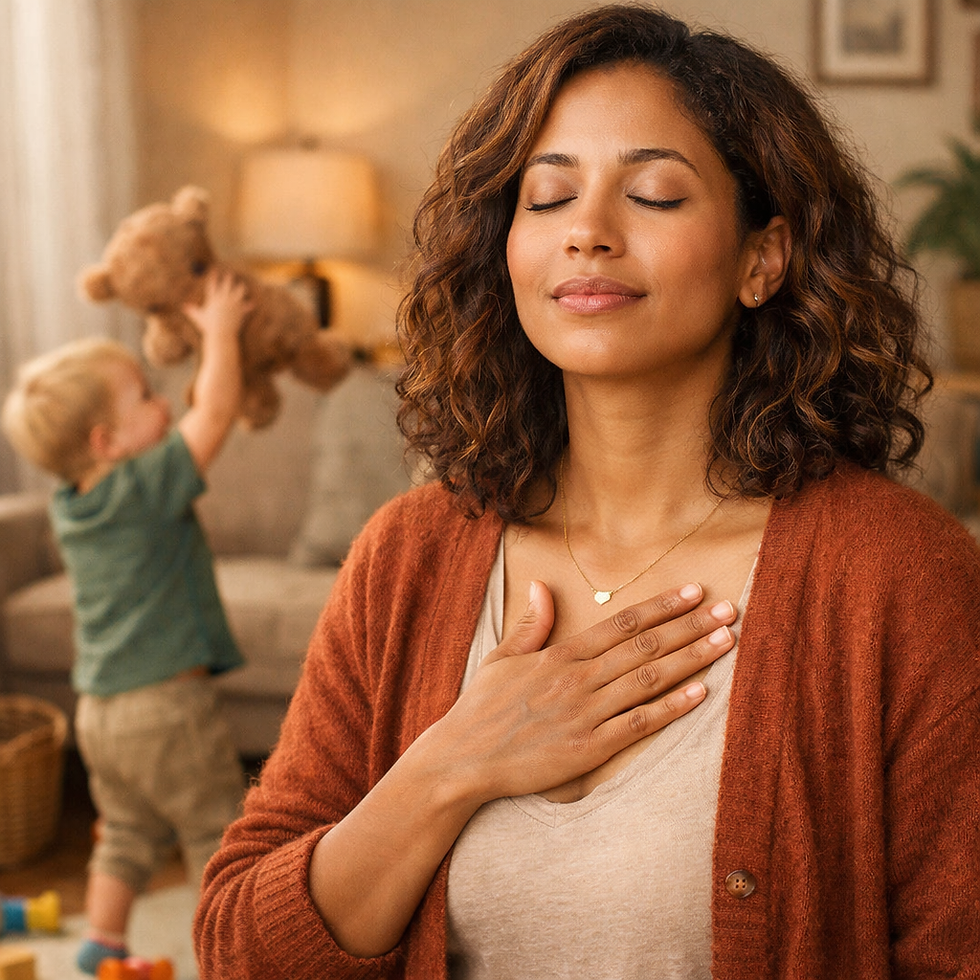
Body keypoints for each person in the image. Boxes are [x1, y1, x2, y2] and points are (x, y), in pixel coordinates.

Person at [194, 6, 980, 979]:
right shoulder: (408, 552)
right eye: (547, 196)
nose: (588, 234)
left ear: (760, 258)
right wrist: (453, 762)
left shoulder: (896, 570)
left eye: (652, 194)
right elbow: (239, 950)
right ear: (507, 248)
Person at [2, 271, 253, 975]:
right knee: (217, 829)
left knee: (128, 835)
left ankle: (101, 940)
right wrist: (222, 334)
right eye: (145, 395)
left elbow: (191, 414)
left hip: (100, 714)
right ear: (107, 440)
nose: (164, 400)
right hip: (165, 707)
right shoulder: (142, 487)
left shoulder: (73, 505)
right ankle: (228, 953)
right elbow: (217, 411)